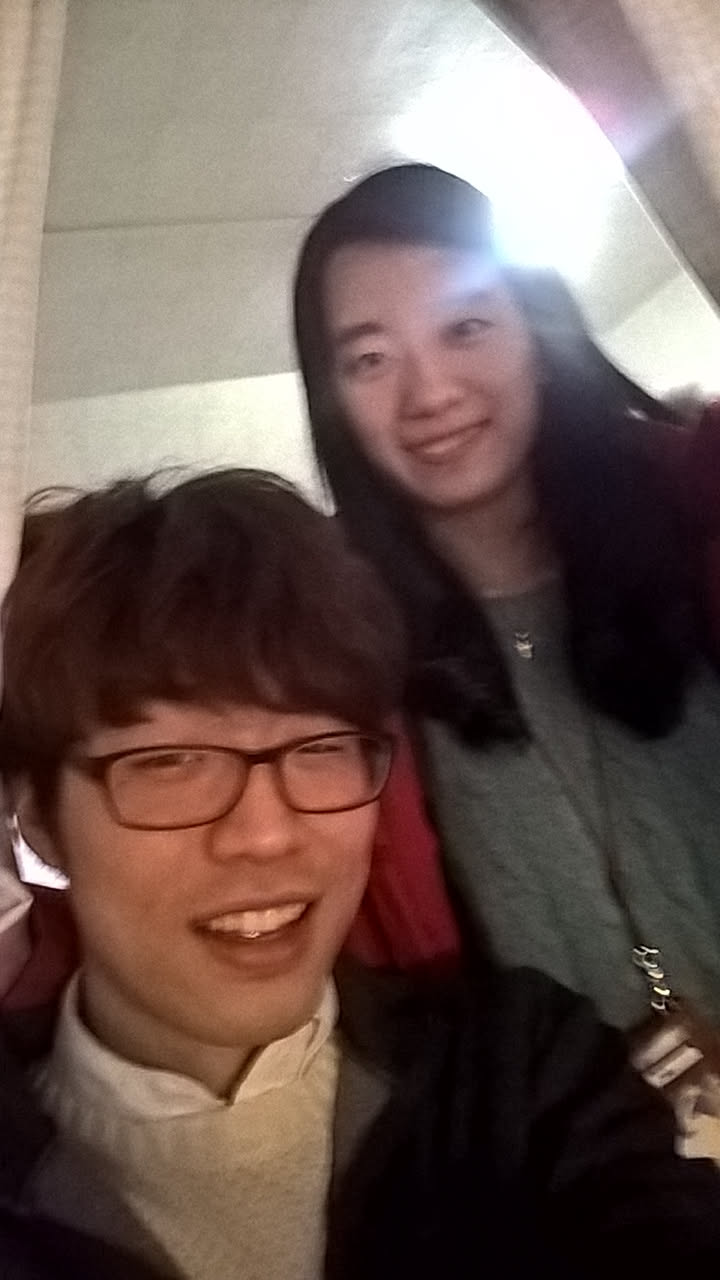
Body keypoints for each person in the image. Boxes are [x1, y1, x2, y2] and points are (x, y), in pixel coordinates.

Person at [2, 468, 720, 1279]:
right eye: (172, 762)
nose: (267, 835)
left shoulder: (518, 1073)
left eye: (321, 748)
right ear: (39, 819)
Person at [292, 162, 720, 1042]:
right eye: (371, 360)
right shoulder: (327, 663)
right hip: (577, 1125)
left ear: (537, 331)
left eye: (465, 327)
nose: (430, 394)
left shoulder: (698, 518)